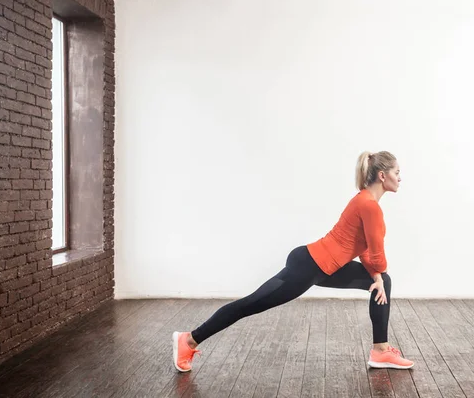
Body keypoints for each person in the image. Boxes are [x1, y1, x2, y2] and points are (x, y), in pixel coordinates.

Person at [172, 150, 414, 372]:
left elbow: (364, 250)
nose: (400, 178)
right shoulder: (369, 206)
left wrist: (377, 277)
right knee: (249, 304)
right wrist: (377, 272)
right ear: (382, 175)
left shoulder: (364, 201)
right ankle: (189, 339)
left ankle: (380, 351)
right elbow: (376, 253)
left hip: (326, 266)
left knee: (385, 282)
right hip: (308, 266)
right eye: (397, 172)